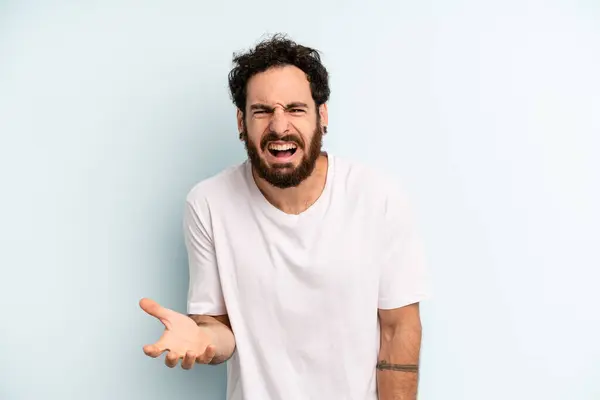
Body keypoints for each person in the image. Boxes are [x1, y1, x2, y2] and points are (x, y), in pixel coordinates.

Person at [140, 34, 431, 400]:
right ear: (241, 121)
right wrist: (202, 338)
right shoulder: (208, 203)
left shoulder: (378, 197)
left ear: (321, 116)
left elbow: (398, 328)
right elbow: (220, 330)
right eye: (262, 111)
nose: (279, 127)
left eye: (295, 109)